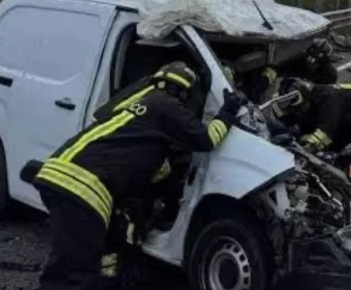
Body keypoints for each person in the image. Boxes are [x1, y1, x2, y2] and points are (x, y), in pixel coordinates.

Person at [32, 62, 245, 290]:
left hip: (58, 171)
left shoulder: (134, 102)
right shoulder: (168, 106)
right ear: (183, 92)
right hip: (83, 189)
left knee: (68, 261)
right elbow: (207, 139)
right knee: (75, 275)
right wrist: (229, 110)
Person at [248, 37, 338, 103]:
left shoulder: (330, 75)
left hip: (309, 104)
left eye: (316, 60)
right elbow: (278, 68)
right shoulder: (298, 59)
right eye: (311, 55)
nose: (311, 60)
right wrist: (266, 80)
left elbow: (326, 96)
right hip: (287, 96)